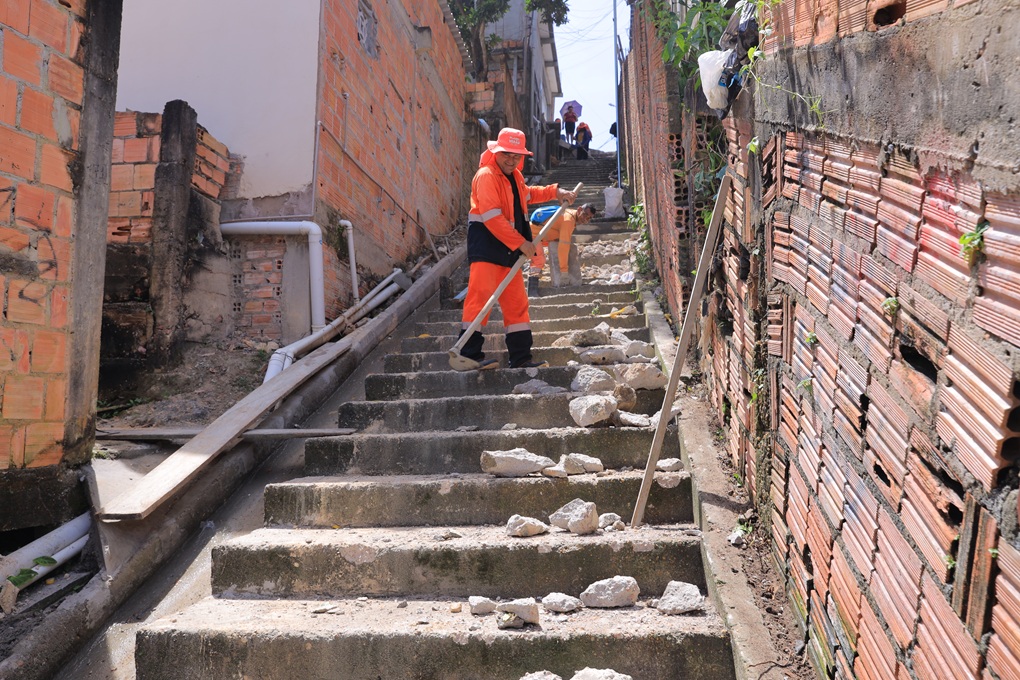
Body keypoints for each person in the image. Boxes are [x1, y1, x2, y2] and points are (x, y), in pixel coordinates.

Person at [458, 128, 577, 370]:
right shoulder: (486, 175)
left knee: (516, 303)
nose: (511, 160)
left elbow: (529, 195)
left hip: (510, 251)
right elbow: (492, 217)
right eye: (507, 155)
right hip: (488, 247)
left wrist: (556, 192)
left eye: (516, 156)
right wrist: (522, 243)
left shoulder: (516, 177)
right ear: (496, 151)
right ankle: (468, 353)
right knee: (480, 299)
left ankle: (521, 357)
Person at [528, 203, 596, 292]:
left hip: (540, 236)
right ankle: (532, 291)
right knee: (539, 260)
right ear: (579, 210)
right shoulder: (568, 220)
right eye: (585, 215)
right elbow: (563, 247)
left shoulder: (570, 215)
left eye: (589, 218)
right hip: (532, 235)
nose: (585, 219)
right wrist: (564, 271)